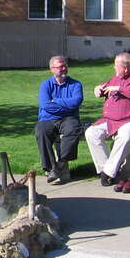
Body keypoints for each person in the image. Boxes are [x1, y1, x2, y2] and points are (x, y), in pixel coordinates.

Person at [85, 52, 130, 190]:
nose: (114, 68)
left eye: (116, 65)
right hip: (111, 120)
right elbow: (104, 87)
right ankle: (107, 170)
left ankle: (108, 172)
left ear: (126, 68)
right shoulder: (116, 78)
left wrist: (119, 89)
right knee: (91, 133)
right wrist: (97, 89)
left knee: (125, 135)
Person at [36, 55, 83, 184]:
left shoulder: (76, 84)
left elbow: (76, 102)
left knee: (73, 129)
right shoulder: (45, 85)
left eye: (65, 66)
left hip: (69, 118)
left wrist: (55, 101)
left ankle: (61, 163)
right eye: (59, 67)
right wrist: (66, 107)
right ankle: (51, 168)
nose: (63, 69)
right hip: (48, 118)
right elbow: (45, 105)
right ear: (52, 69)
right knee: (41, 131)